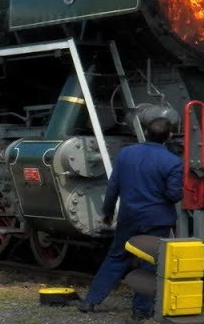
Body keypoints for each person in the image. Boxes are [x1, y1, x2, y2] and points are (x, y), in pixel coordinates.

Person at [80, 117, 183, 320]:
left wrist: (107, 212)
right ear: (170, 136)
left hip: (129, 217)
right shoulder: (172, 161)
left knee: (116, 256)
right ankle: (140, 311)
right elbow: (174, 195)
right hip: (157, 220)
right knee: (151, 263)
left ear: (145, 132)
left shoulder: (127, 154)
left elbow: (113, 187)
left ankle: (90, 301)